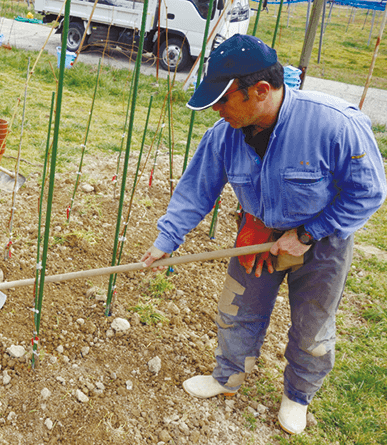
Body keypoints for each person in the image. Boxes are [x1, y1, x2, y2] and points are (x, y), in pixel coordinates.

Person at [141, 34, 386, 435]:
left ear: (260, 90)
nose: (218, 112)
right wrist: (167, 240)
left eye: (223, 101)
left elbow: (369, 193)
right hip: (257, 235)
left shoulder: (334, 124)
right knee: (236, 310)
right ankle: (228, 377)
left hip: (323, 242)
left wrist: (308, 233)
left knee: (313, 325)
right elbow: (196, 189)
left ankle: (298, 396)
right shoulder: (224, 135)